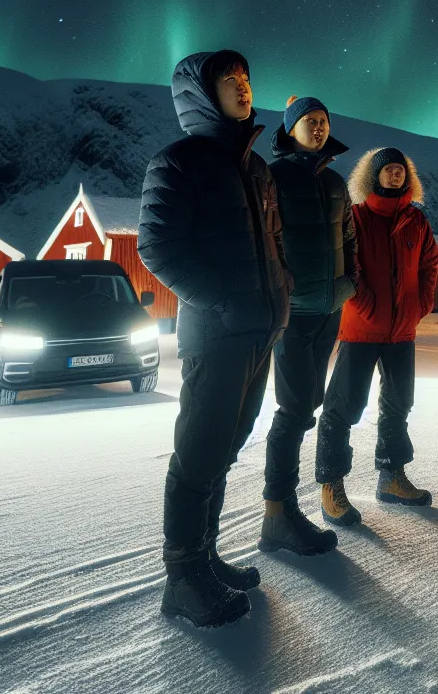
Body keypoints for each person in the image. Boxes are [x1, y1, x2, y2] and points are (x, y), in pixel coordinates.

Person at [138, 50, 292, 627]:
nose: (244, 88)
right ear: (202, 94)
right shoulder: (178, 162)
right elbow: (156, 247)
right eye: (230, 81)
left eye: (247, 79)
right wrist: (225, 300)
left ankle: (205, 557)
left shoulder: (256, 169)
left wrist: (283, 288)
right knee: (198, 455)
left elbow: (272, 244)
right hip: (217, 333)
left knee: (225, 450)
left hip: (260, 330)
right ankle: (182, 576)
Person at [314, 146, 438, 523]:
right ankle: (331, 485)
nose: (395, 175)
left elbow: (431, 262)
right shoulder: (356, 216)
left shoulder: (416, 222)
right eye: (388, 170)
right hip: (361, 329)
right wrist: (365, 304)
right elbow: (347, 264)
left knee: (398, 406)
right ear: (373, 176)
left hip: (402, 331)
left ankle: (391, 476)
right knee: (342, 408)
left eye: (401, 169)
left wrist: (420, 303)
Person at [258, 96, 356, 557]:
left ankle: (281, 513)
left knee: (308, 404)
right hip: (293, 311)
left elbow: (350, 237)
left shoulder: (336, 181)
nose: (317, 128)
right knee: (294, 409)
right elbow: (263, 236)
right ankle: (278, 513)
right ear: (290, 128)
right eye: (308, 121)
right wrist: (282, 289)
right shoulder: (272, 177)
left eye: (323, 120)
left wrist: (349, 283)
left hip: (329, 308)